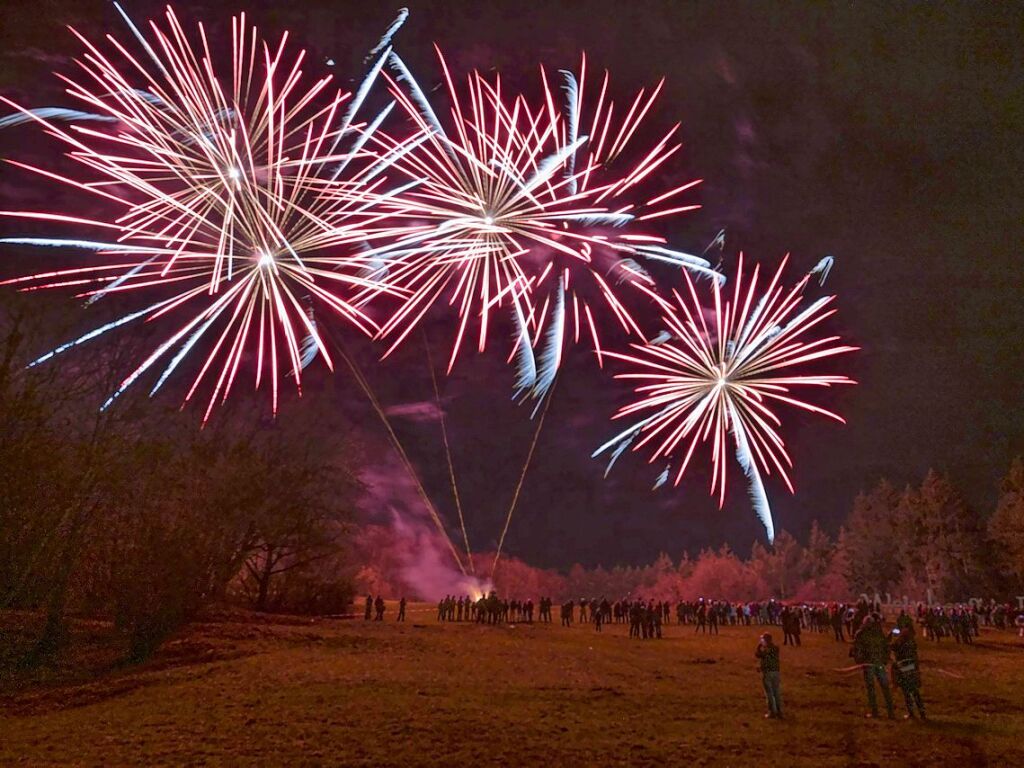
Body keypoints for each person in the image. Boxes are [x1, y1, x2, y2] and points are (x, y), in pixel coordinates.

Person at [852, 613, 895, 719]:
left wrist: (860, 661)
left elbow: (857, 650)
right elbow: (886, 647)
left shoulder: (861, 633)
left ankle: (875, 712)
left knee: (871, 688)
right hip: (879, 663)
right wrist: (885, 659)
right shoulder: (879, 632)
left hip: (869, 664)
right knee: (885, 688)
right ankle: (891, 712)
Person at [890, 619, 925, 719]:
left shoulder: (901, 640)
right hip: (912, 667)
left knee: (907, 692)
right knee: (915, 691)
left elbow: (892, 647)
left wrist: (891, 635)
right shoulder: (911, 641)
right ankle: (922, 712)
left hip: (905, 667)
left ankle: (911, 713)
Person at [755, 633, 783, 719]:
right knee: (776, 693)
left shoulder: (767, 650)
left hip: (768, 673)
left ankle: (772, 712)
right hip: (776, 672)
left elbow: (758, 655)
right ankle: (779, 711)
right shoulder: (775, 648)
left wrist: (759, 646)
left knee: (769, 694)